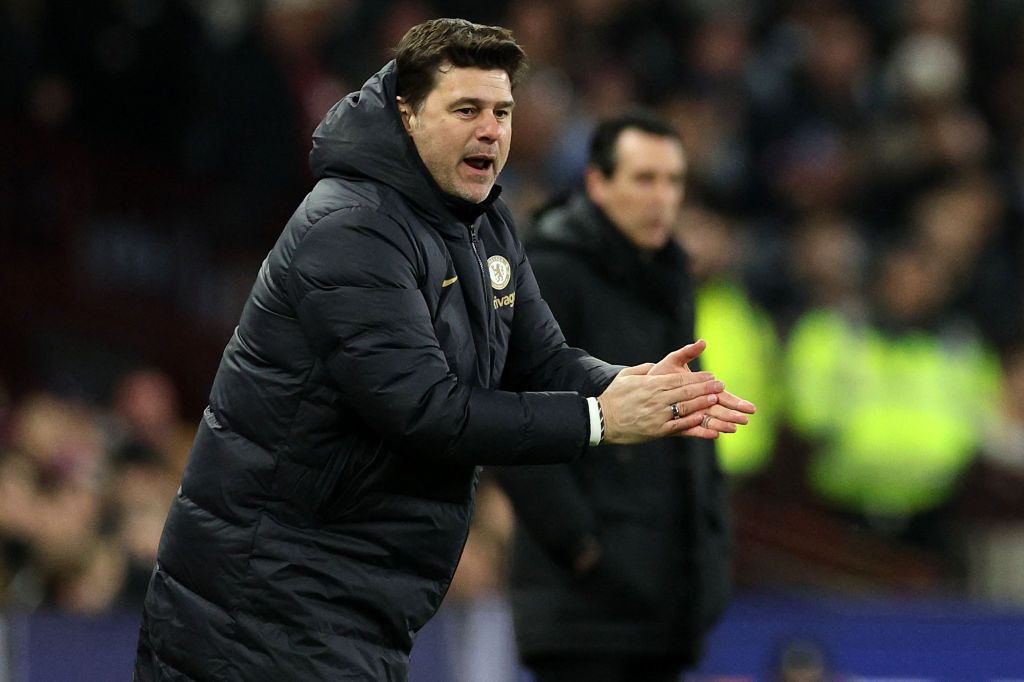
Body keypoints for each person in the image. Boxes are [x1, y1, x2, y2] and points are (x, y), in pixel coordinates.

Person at [133, 19, 755, 682]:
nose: (491, 130)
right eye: (466, 110)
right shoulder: (350, 227)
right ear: (406, 114)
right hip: (257, 608)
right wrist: (600, 421)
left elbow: (542, 362)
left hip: (346, 606)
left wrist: (637, 386)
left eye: (502, 112)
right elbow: (427, 411)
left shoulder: (482, 222)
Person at [497, 113, 737, 682]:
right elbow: (516, 423)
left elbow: (682, 427)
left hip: (662, 608)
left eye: (674, 181)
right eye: (644, 179)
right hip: (584, 613)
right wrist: (585, 550)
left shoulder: (669, 278)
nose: (662, 198)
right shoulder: (552, 273)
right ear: (598, 184)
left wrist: (708, 559)